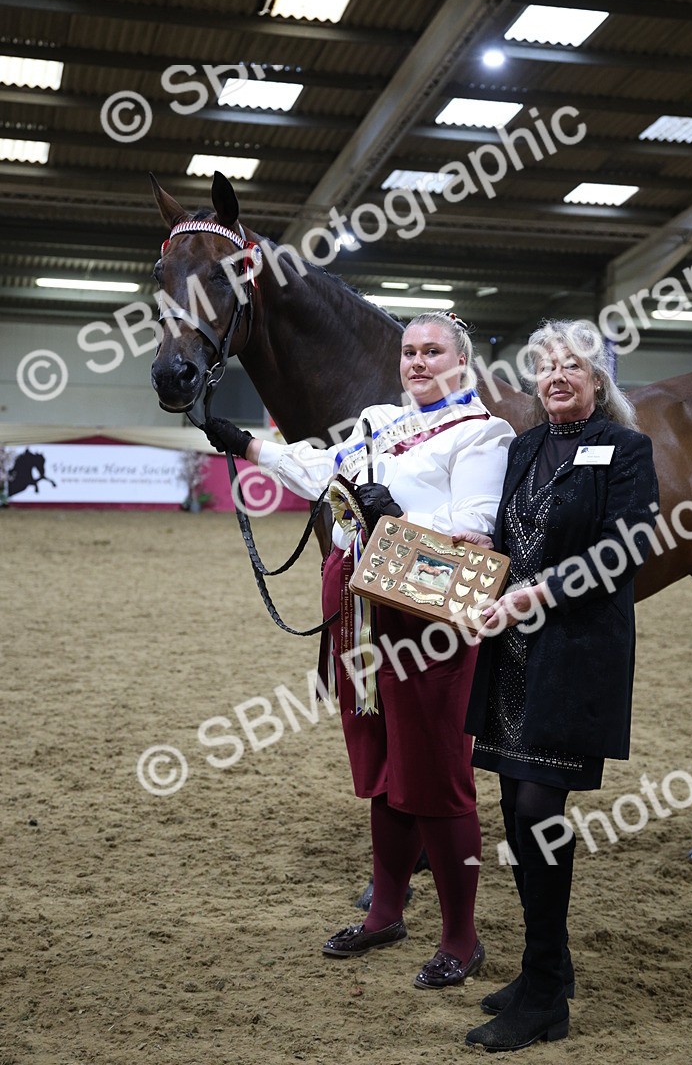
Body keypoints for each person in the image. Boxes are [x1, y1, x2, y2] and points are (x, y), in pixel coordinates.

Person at [203, 312, 515, 989]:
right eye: (410, 351)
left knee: (437, 776)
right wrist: (245, 443)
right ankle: (384, 912)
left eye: (434, 352)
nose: (419, 362)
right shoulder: (380, 422)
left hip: (426, 624)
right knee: (382, 769)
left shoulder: (483, 436)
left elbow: (472, 547)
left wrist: (391, 520)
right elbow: (319, 470)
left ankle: (462, 937)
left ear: (462, 363)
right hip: (362, 616)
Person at [463, 318, 659, 1050]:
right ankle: (547, 966)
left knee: (541, 813)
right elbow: (513, 538)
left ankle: (545, 996)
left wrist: (535, 594)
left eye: (572, 365)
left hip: (573, 653)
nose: (556, 375)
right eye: (546, 364)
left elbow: (628, 547)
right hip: (512, 658)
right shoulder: (525, 445)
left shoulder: (627, 448)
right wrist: (483, 554)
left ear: (599, 379)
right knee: (517, 811)